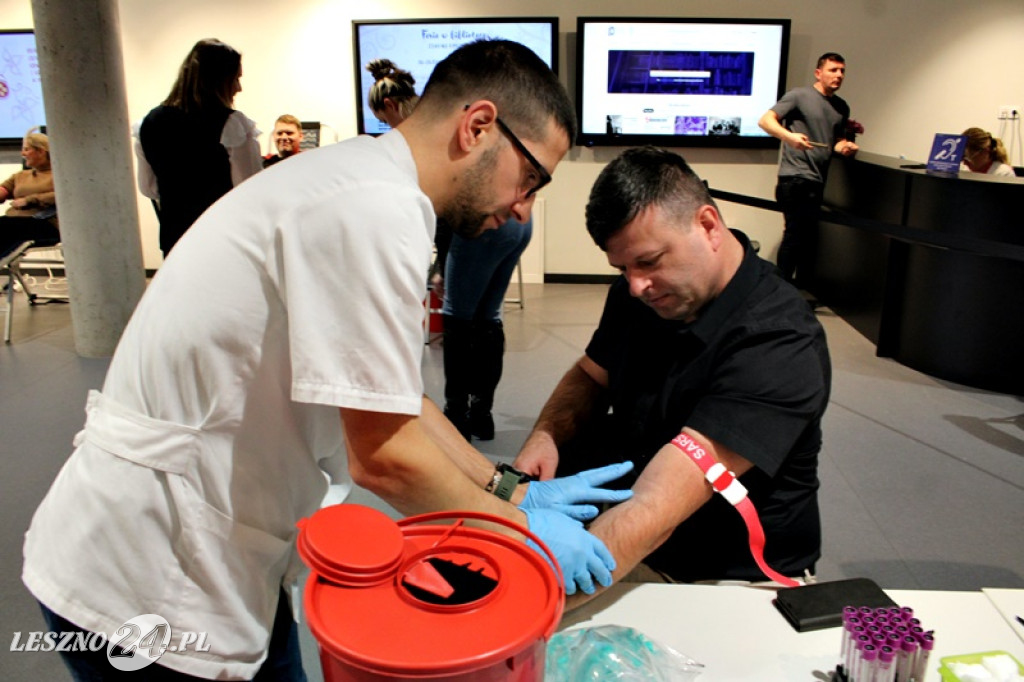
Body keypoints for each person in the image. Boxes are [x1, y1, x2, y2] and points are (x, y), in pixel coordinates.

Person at [23, 40, 630, 681]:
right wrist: (520, 533)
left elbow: (393, 397)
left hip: (204, 545)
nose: (522, 208)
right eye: (530, 179)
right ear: (478, 126)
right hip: (148, 574)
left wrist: (510, 489)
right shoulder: (377, 207)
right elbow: (385, 457)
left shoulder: (361, 179)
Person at [513, 147, 832, 609]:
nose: (636, 285)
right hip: (635, 531)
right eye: (622, 269)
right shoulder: (642, 292)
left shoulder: (779, 340)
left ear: (707, 225)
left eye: (649, 261)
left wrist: (523, 602)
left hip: (723, 576)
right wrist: (546, 436)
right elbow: (590, 375)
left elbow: (656, 508)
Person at [135, 38, 262, 257]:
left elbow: (149, 188)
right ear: (218, 80)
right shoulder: (232, 124)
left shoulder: (149, 122)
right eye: (235, 79)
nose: (238, 88)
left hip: (175, 238)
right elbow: (248, 190)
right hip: (221, 238)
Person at [758, 52, 859, 286]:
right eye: (833, 70)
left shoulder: (841, 107)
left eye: (842, 71)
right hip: (795, 178)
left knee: (807, 240)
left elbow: (835, 141)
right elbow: (765, 120)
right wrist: (789, 137)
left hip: (817, 180)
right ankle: (780, 291)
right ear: (818, 72)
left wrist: (844, 146)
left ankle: (794, 292)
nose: (839, 75)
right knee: (795, 236)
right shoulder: (799, 96)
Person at [441, 217, 532, 440]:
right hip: (521, 224)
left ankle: (457, 416)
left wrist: (441, 266)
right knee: (488, 316)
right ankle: (482, 416)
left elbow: (447, 213)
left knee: (457, 317)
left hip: (480, 222)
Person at [0, 132, 59, 258]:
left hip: (45, 223)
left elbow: (62, 195)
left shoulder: (59, 175)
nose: (23, 154)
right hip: (15, 222)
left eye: (27, 149)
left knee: (6, 228)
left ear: (41, 152)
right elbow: (3, 190)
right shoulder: (21, 176)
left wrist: (30, 200)